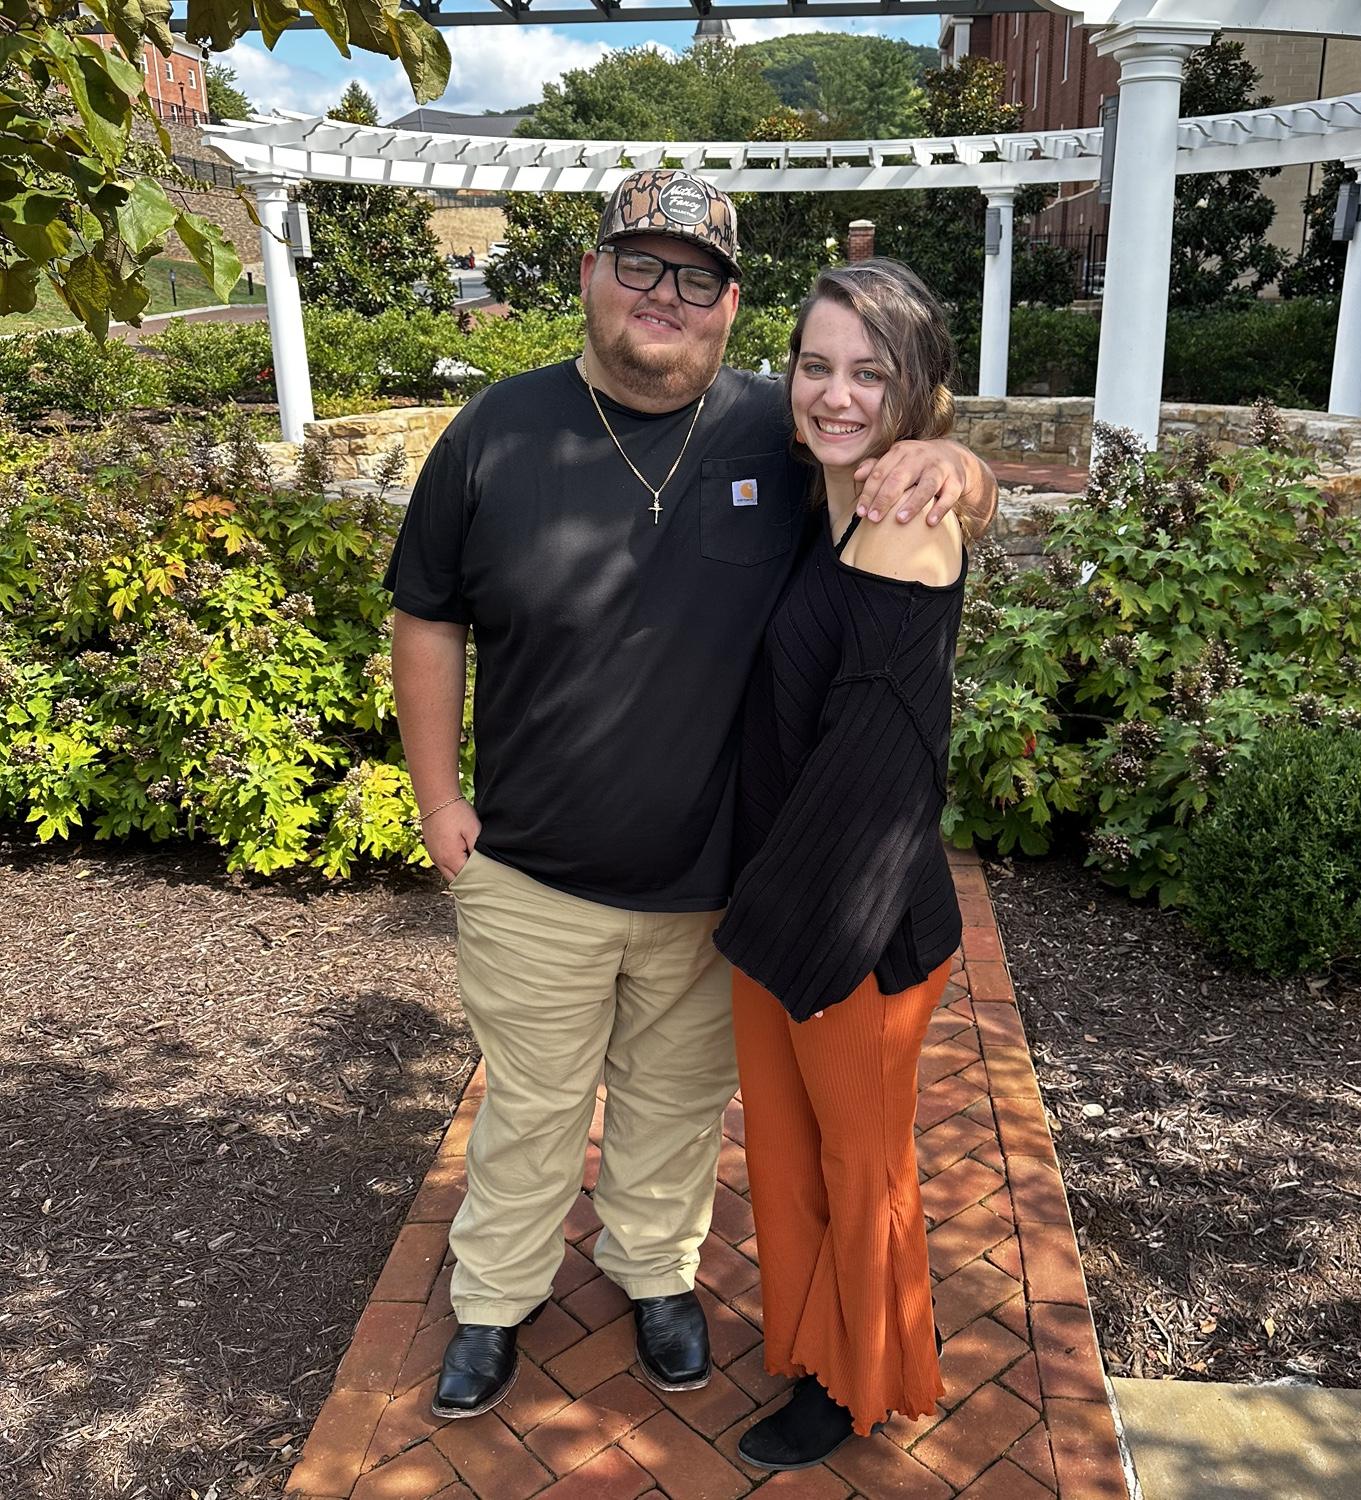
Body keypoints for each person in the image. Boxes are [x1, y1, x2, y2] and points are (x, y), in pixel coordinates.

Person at [384, 168, 996, 1421]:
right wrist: (439, 802)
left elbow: (898, 464)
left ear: (729, 306)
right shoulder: (496, 432)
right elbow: (426, 615)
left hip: (716, 885)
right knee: (531, 1112)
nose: (666, 294)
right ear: (590, 275)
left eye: (697, 276)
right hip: (534, 873)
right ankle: (494, 1298)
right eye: (641, 264)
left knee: (674, 1109)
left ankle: (654, 1275)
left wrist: (958, 463)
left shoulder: (776, 424)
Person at [713, 259, 967, 1470]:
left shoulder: (905, 526)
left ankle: (855, 1380)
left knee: (860, 1168)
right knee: (787, 1155)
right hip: (782, 905)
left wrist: (806, 949)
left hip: (853, 930)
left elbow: (878, 778)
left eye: (871, 373)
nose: (836, 393)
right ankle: (823, 1343)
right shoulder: (834, 500)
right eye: (816, 366)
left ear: (917, 388)